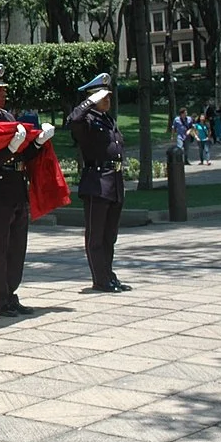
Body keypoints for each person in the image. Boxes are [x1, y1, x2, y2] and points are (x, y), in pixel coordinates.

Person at [0, 64, 56, 317]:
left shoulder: (7, 117)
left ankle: (10, 294)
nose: (3, 94)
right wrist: (10, 148)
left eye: (4, 89)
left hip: (17, 187)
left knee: (17, 247)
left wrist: (38, 143)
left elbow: (23, 155)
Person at [68, 73, 131, 293]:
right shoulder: (86, 121)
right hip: (97, 182)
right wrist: (90, 102)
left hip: (114, 182)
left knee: (109, 236)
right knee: (96, 236)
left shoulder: (107, 120)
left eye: (108, 96)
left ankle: (109, 275)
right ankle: (100, 279)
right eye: (103, 96)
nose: (107, 100)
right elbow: (73, 119)